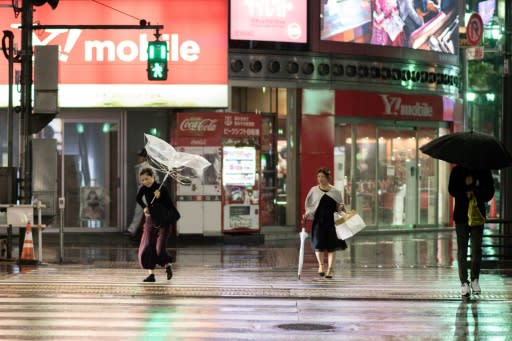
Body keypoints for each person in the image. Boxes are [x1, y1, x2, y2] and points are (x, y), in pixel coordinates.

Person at [448, 165, 494, 297]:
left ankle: (475, 279)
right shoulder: (457, 171)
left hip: (477, 216)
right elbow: (451, 190)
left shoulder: (484, 170)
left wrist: (475, 190)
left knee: (476, 249)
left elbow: (489, 192)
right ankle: (464, 282)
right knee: (462, 250)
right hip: (461, 217)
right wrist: (464, 187)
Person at [136, 168, 179, 282]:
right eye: (143, 180)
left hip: (164, 221)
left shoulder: (161, 188)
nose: (145, 181)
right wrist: (145, 207)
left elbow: (169, 205)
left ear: (153, 177)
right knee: (148, 246)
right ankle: (151, 275)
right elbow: (138, 199)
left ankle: (167, 265)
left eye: (147, 178)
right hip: (151, 220)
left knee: (159, 248)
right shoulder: (143, 188)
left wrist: (160, 197)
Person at [303, 167, 347, 279]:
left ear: (328, 178)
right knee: (318, 245)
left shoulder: (335, 192)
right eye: (318, 176)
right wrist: (307, 213)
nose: (320, 179)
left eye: (322, 176)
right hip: (318, 222)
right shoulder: (314, 190)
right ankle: (321, 266)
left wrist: (341, 207)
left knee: (331, 247)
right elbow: (310, 205)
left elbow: (339, 208)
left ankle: (330, 269)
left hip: (332, 223)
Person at [127, 149, 159, 238]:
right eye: (138, 156)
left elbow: (155, 179)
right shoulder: (140, 166)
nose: (138, 157)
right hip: (142, 191)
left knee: (147, 213)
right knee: (139, 211)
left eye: (140, 156)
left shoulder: (148, 167)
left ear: (144, 158)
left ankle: (149, 232)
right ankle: (132, 230)